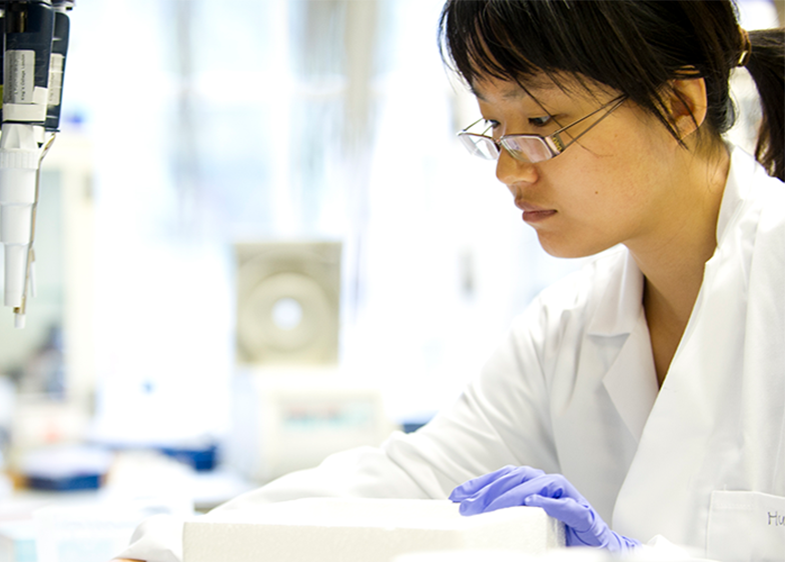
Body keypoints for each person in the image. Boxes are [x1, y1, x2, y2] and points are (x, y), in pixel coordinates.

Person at [115, 0, 785, 560]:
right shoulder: (571, 329)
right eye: (496, 127)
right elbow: (415, 479)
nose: (509, 170)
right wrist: (179, 546)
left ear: (677, 105)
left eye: (542, 125)